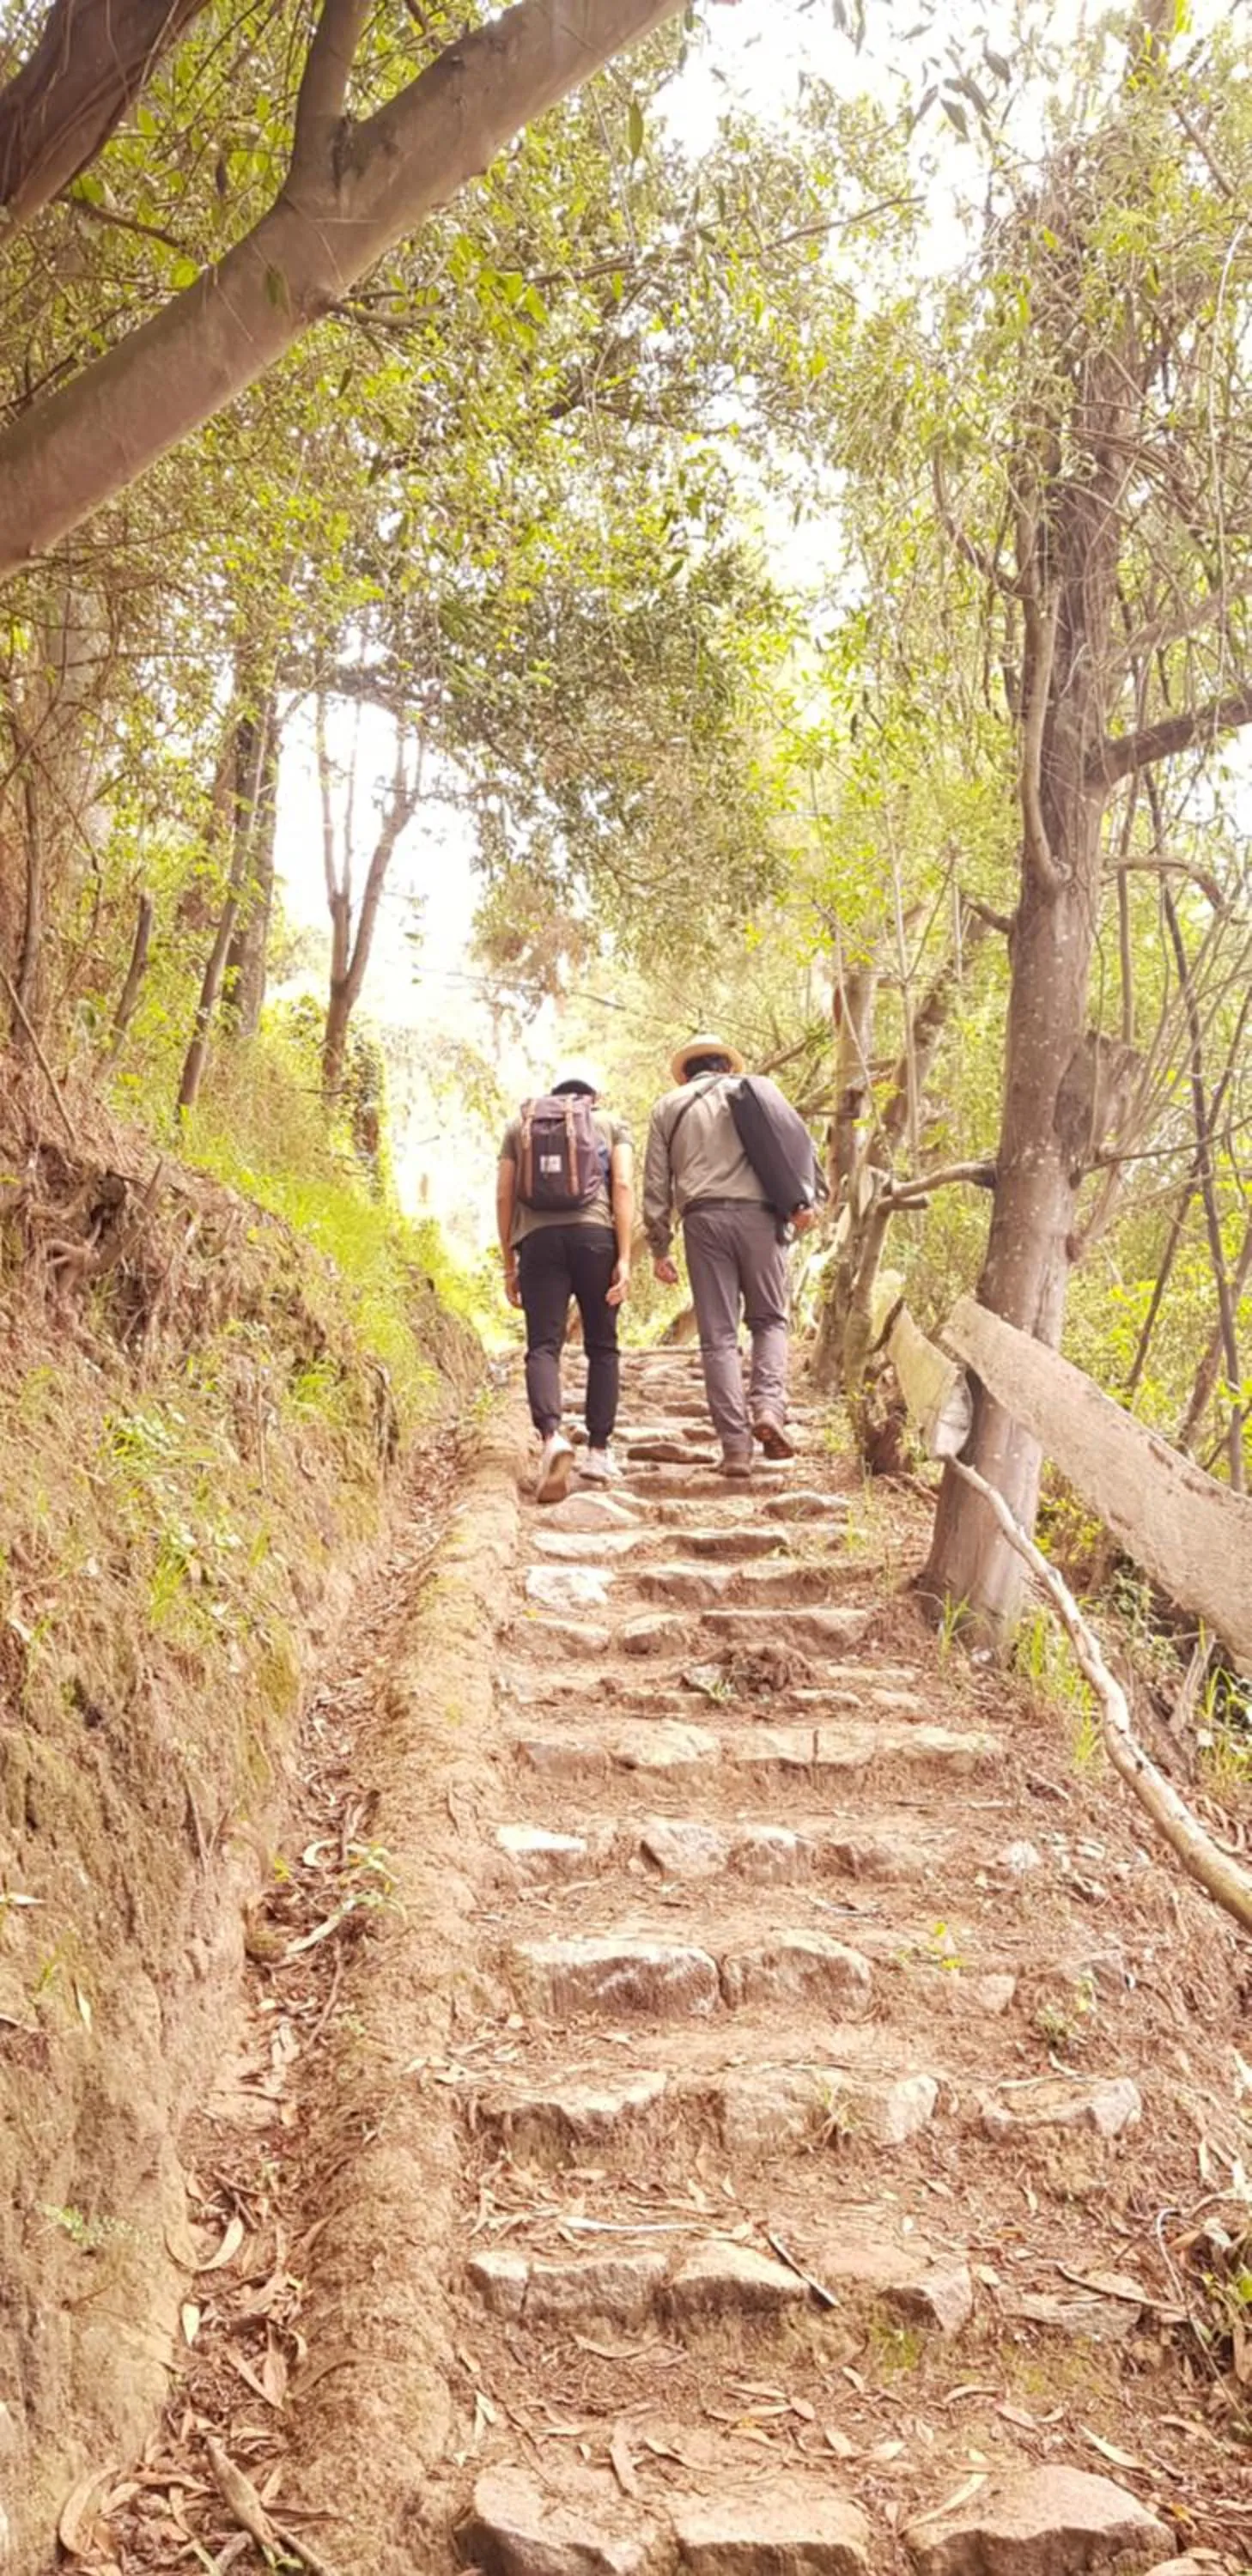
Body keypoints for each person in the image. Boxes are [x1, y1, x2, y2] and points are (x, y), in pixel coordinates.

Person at [644, 1033, 814, 1477]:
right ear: (727, 1066)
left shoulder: (668, 1107)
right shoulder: (754, 1092)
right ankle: (769, 1408)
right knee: (770, 1321)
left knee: (718, 1336)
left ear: (687, 1072)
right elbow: (793, 1149)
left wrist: (659, 1246)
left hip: (703, 1222)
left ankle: (736, 1450)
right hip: (760, 1219)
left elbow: (656, 1184)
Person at [497, 1064, 633, 1503]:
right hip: (596, 1239)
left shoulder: (521, 1125)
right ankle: (597, 1450)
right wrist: (625, 1256)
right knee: (602, 1345)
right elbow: (624, 1185)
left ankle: (552, 1436)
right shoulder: (609, 1124)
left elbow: (504, 1194)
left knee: (543, 1346)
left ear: (554, 1096)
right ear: (594, 1096)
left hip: (538, 1244)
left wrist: (508, 1261)